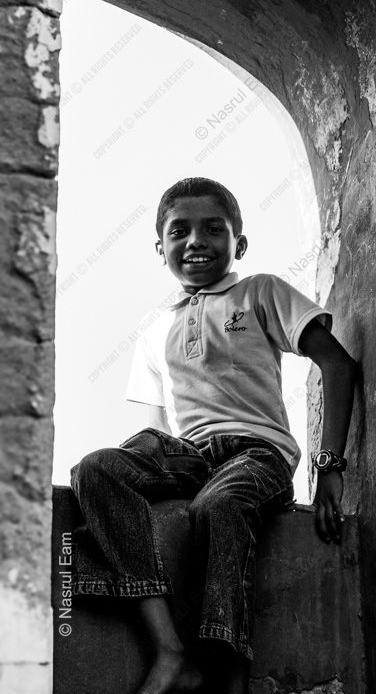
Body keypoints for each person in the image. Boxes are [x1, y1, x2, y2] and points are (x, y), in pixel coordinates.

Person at [70, 177, 358, 694]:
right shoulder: (156, 331)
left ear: (238, 244)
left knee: (216, 507)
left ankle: (229, 673)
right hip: (187, 455)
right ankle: (170, 650)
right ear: (161, 249)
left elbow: (337, 365)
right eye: (179, 231)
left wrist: (329, 468)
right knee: (95, 470)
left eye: (213, 229)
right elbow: (157, 430)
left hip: (256, 452)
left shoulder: (260, 291)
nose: (195, 241)